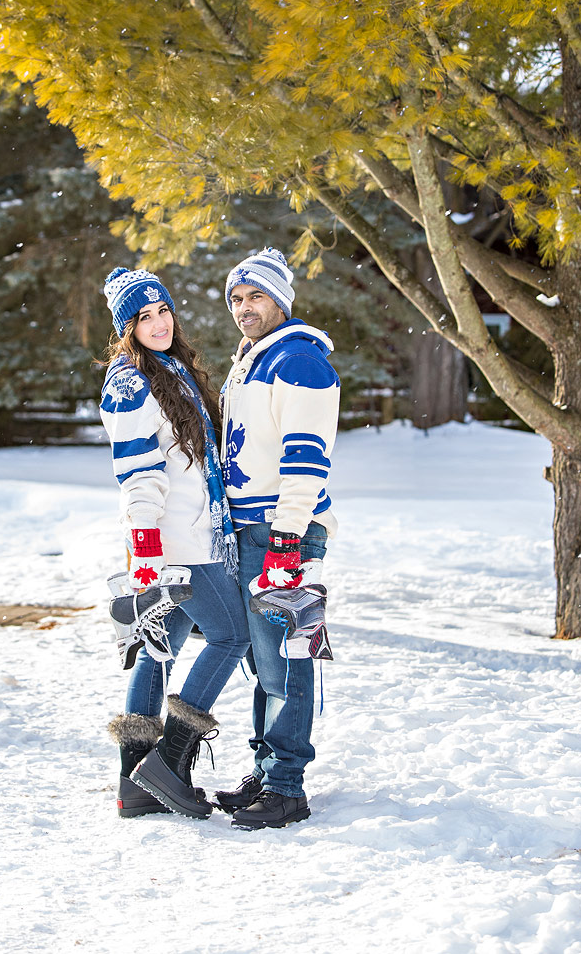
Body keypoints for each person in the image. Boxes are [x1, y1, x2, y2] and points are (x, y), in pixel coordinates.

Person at [99, 266, 250, 821]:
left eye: (163, 311)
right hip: (178, 543)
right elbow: (138, 473)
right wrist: (144, 549)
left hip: (198, 533)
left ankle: (135, 785)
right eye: (144, 317)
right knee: (231, 636)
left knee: (160, 649)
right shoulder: (130, 382)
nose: (159, 323)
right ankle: (167, 761)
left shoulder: (172, 370)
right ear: (127, 327)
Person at [215, 247, 340, 830]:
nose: (245, 308)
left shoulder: (299, 361)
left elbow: (306, 457)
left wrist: (288, 537)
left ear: (282, 301)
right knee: (264, 662)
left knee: (287, 659)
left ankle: (287, 786)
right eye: (236, 299)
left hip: (284, 531)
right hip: (252, 529)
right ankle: (267, 769)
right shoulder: (252, 360)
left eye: (255, 296)